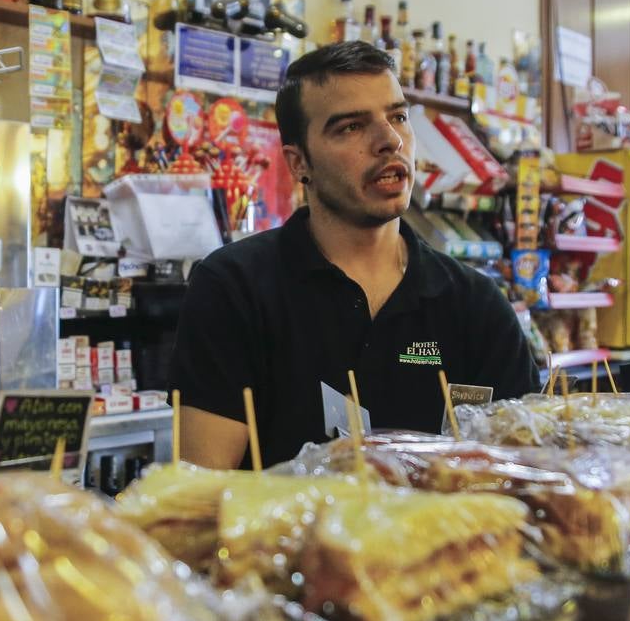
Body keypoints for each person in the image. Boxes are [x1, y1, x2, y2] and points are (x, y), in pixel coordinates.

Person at [169, 41, 537, 469]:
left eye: (398, 116)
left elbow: (520, 482)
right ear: (298, 163)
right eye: (350, 127)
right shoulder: (233, 287)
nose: (389, 140)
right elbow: (201, 494)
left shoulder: (477, 307)